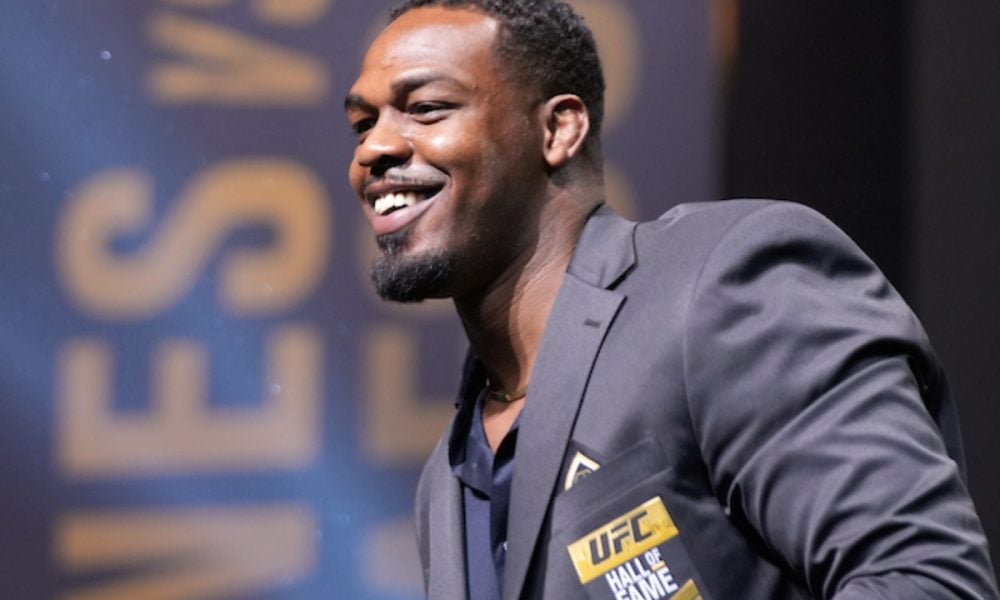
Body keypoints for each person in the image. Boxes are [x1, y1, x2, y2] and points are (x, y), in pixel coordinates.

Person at [344, 1, 998, 598]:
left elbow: (927, 583)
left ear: (559, 129)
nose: (373, 147)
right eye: (362, 122)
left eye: (426, 107)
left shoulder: (725, 281)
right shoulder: (449, 475)